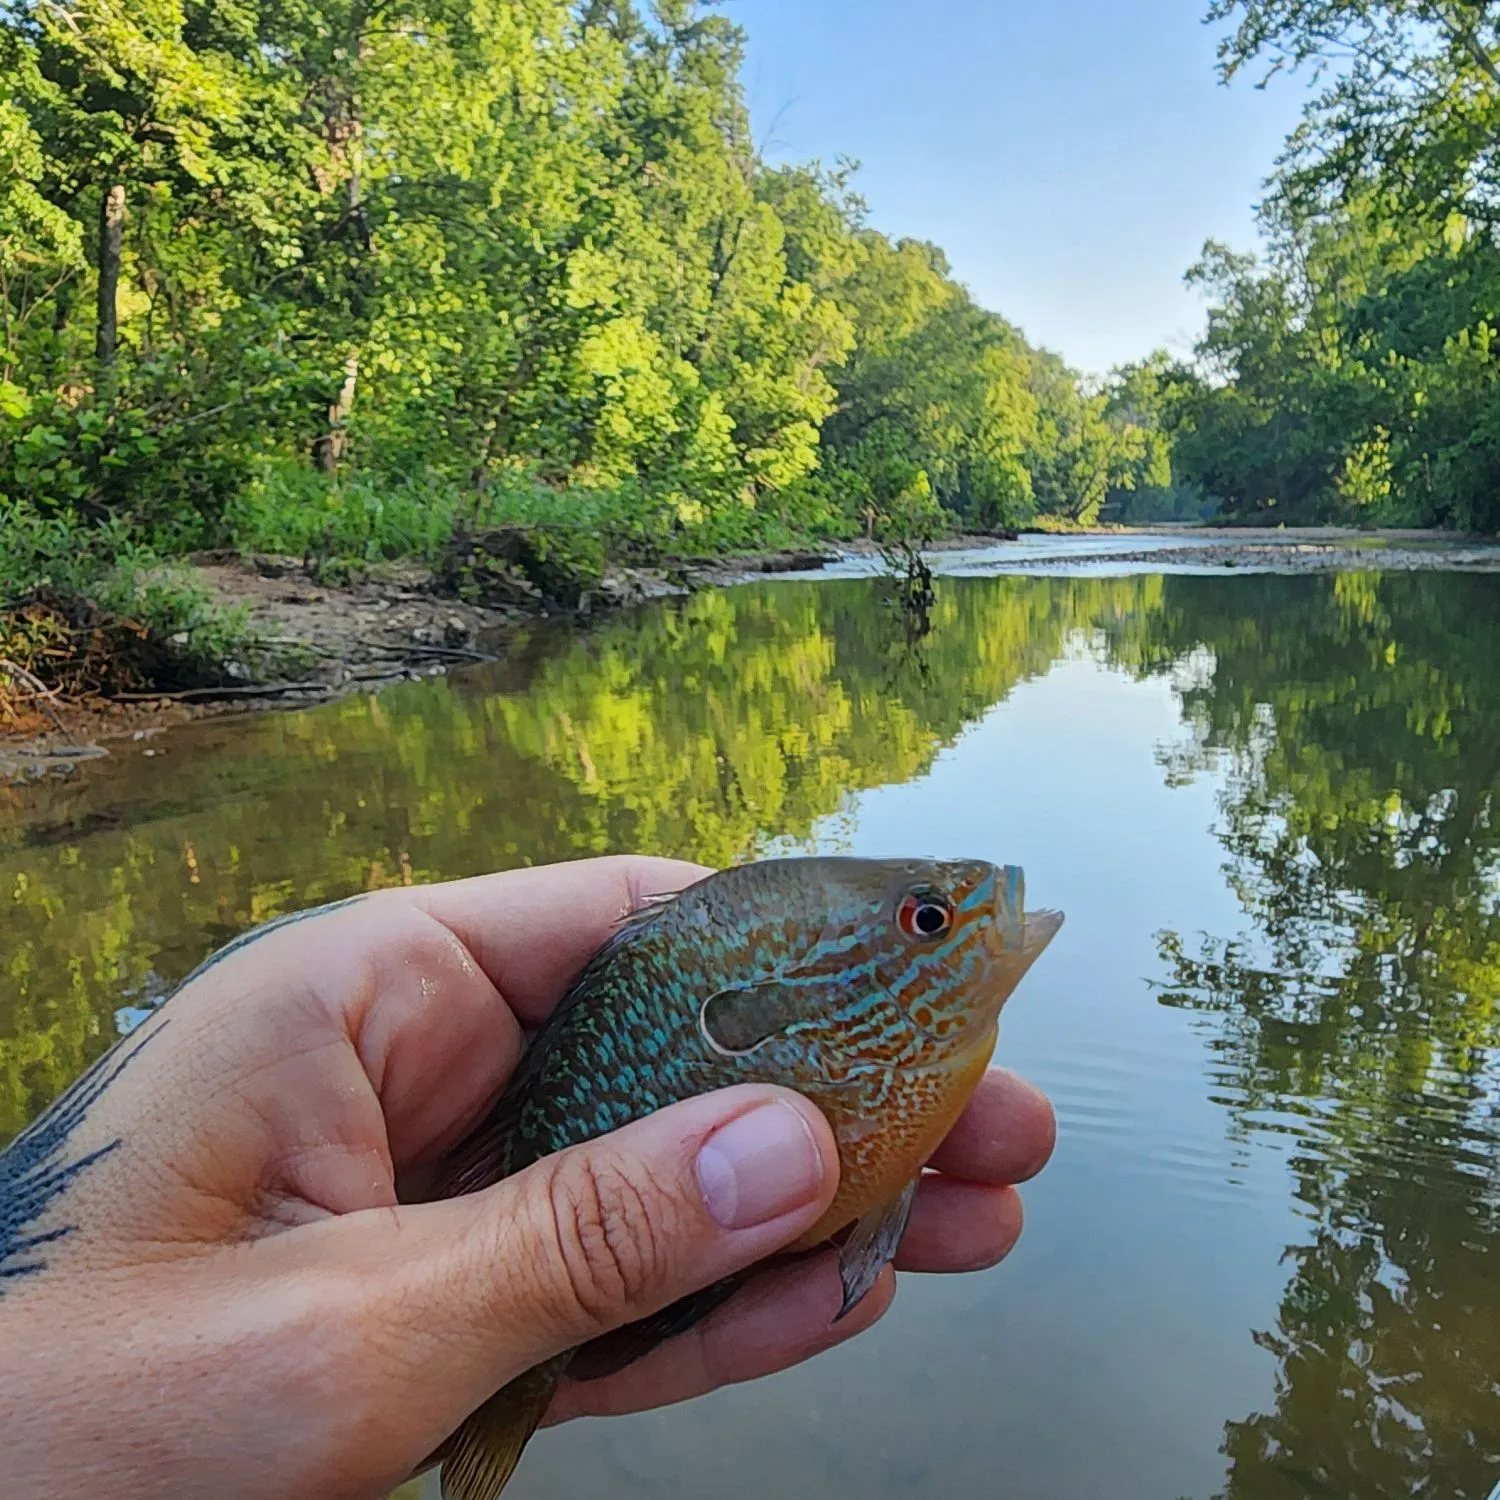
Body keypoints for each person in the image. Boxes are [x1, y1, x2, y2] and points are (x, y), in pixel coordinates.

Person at [0, 856, 1056, 1500]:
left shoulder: (926, 1050)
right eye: (928, 921)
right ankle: (499, 1396)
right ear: (818, 992)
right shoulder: (892, 1053)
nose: (973, 914)